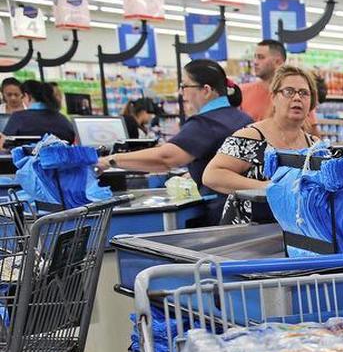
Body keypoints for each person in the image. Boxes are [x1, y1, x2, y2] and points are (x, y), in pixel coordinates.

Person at [96, 60, 252, 224]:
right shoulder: (241, 117)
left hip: (222, 215)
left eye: (185, 86)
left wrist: (110, 160)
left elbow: (166, 158)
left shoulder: (206, 123)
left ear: (206, 90)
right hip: (246, 212)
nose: (181, 92)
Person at [203, 65, 320, 224]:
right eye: (289, 91)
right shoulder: (253, 137)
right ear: (273, 97)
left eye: (304, 93)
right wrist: (266, 187)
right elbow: (212, 175)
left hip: (294, 234)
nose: (297, 98)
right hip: (248, 235)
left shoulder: (315, 146)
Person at [0, 79, 75, 144]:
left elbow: (4, 145)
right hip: (59, 160)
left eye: (21, 97)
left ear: (27, 96)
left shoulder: (18, 117)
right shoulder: (63, 119)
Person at [240, 38, 287, 122]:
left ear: (278, 62)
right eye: (255, 57)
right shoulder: (242, 92)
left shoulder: (296, 93)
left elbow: (312, 131)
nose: (255, 62)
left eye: (261, 57)